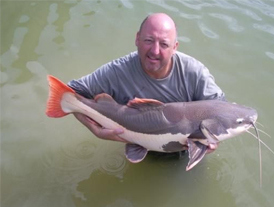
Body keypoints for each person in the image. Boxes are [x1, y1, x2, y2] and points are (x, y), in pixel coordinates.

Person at [68, 13, 225, 155]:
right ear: (137, 39)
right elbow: (70, 93)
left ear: (174, 47)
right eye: (149, 40)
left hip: (186, 151)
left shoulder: (195, 72)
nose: (155, 51)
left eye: (164, 44)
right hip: (138, 144)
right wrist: (94, 129)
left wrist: (214, 139)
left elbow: (221, 110)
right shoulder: (117, 71)